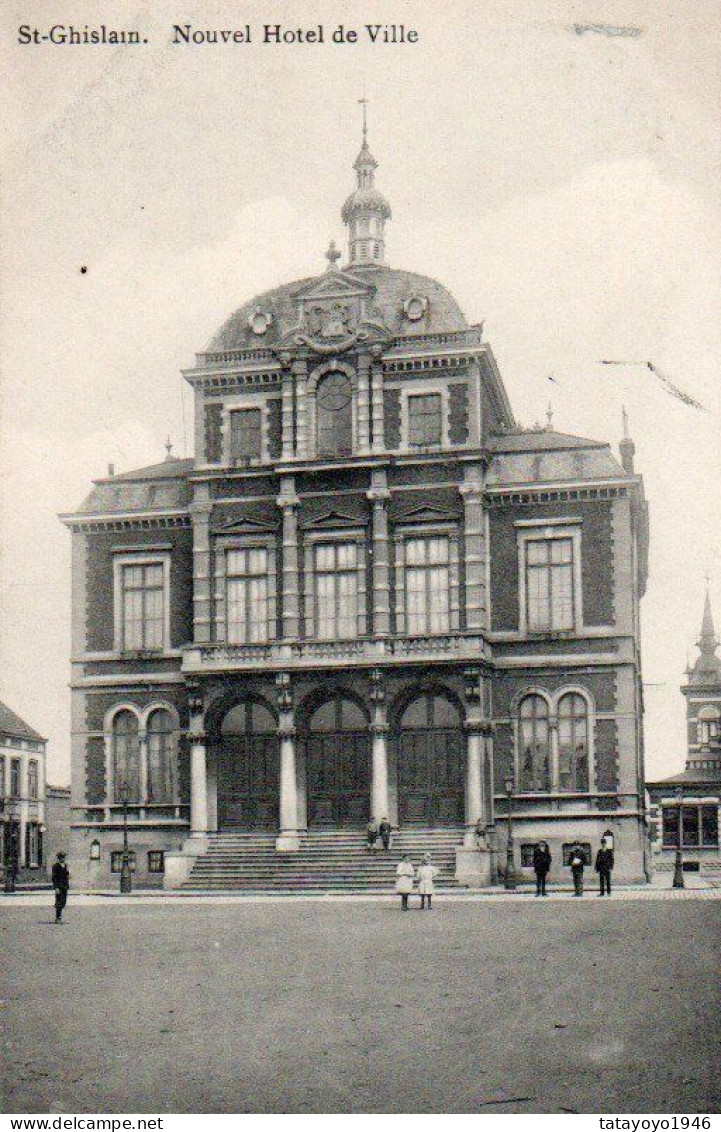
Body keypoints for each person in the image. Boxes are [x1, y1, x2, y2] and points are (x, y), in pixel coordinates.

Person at [52, 852, 70, 923]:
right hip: (59, 886)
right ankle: (58, 917)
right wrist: (56, 887)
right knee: (59, 902)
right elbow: (54, 877)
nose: (62, 859)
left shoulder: (65, 865)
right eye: (61, 857)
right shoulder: (55, 866)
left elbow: (67, 875)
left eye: (63, 857)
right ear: (58, 858)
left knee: (63, 902)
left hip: (65, 886)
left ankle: (59, 916)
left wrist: (68, 876)